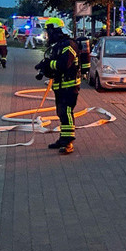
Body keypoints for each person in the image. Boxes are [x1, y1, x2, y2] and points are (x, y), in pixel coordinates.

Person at [35, 18, 81, 154]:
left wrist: (48, 65)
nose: (48, 35)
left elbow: (62, 65)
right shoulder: (58, 45)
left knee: (66, 112)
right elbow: (54, 63)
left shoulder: (69, 45)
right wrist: (44, 66)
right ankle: (63, 139)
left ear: (56, 31)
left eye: (49, 32)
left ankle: (68, 142)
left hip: (69, 86)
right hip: (60, 85)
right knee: (61, 113)